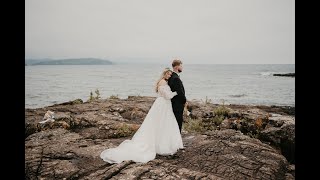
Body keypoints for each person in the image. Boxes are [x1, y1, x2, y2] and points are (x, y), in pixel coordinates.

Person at [100, 68, 184, 164]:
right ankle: (161, 145)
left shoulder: (163, 82)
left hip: (163, 105)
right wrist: (177, 92)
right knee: (161, 123)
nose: (169, 76)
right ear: (164, 74)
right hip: (163, 105)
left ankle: (163, 143)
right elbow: (167, 96)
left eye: (170, 74)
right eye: (168, 74)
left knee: (163, 123)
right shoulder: (163, 83)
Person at [168, 59, 187, 133]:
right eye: (181, 66)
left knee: (174, 122)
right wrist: (184, 101)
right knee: (178, 122)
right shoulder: (175, 78)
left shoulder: (171, 76)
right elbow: (180, 92)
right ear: (176, 67)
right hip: (177, 104)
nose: (182, 68)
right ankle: (176, 140)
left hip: (173, 103)